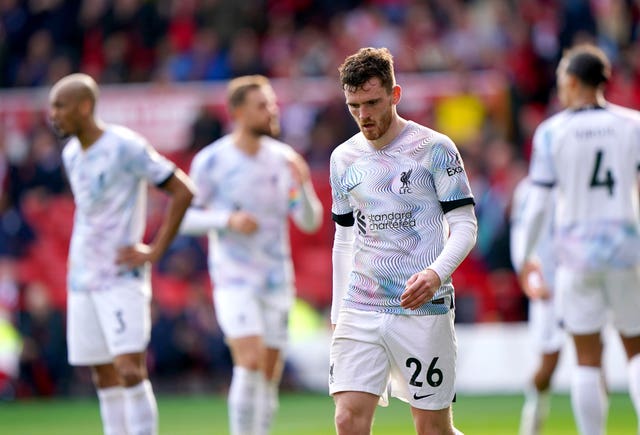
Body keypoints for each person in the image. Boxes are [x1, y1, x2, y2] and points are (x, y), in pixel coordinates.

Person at [329, 47, 477, 435]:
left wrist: (435, 273)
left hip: (422, 306)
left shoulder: (435, 149)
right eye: (353, 105)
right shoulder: (343, 159)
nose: (363, 115)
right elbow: (344, 237)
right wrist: (336, 312)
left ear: (395, 95)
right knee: (347, 420)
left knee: (432, 429)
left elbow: (464, 224)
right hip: (361, 304)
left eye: (372, 102)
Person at [48, 73, 194, 435]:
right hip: (82, 275)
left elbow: (182, 190)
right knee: (102, 372)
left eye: (60, 106)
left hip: (121, 273)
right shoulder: (70, 153)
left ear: (84, 106)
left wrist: (156, 249)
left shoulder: (125, 145)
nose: (53, 114)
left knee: (129, 368)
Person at [179, 74, 323, 435]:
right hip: (234, 278)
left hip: (276, 279)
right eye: (263, 106)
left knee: (269, 374)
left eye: (272, 104)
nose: (272, 111)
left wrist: (303, 186)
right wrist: (227, 219)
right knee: (250, 361)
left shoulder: (283, 159)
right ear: (238, 113)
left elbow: (308, 221)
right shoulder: (212, 161)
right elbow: (183, 218)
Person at [518, 43, 640, 435]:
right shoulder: (632, 125)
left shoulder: (553, 132)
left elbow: (537, 205)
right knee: (636, 352)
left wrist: (525, 259)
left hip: (576, 254)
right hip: (626, 247)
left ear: (571, 82)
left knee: (587, 357)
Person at [510, 176, 565, 435]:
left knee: (592, 358)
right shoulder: (529, 189)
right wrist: (529, 275)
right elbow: (521, 233)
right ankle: (531, 420)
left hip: (579, 278)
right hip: (548, 284)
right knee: (547, 366)